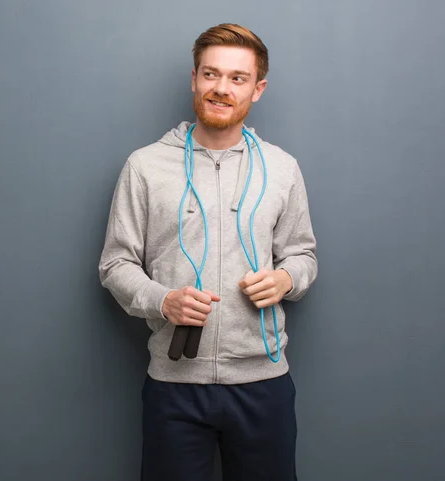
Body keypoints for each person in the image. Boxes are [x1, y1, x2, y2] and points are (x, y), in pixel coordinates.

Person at [98, 23, 318, 481]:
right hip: (175, 387)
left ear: (257, 89)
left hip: (264, 385)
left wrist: (286, 280)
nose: (221, 88)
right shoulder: (145, 166)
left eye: (237, 78)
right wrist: (162, 300)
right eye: (211, 74)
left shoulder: (282, 168)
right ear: (194, 79)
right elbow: (115, 264)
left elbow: (303, 256)